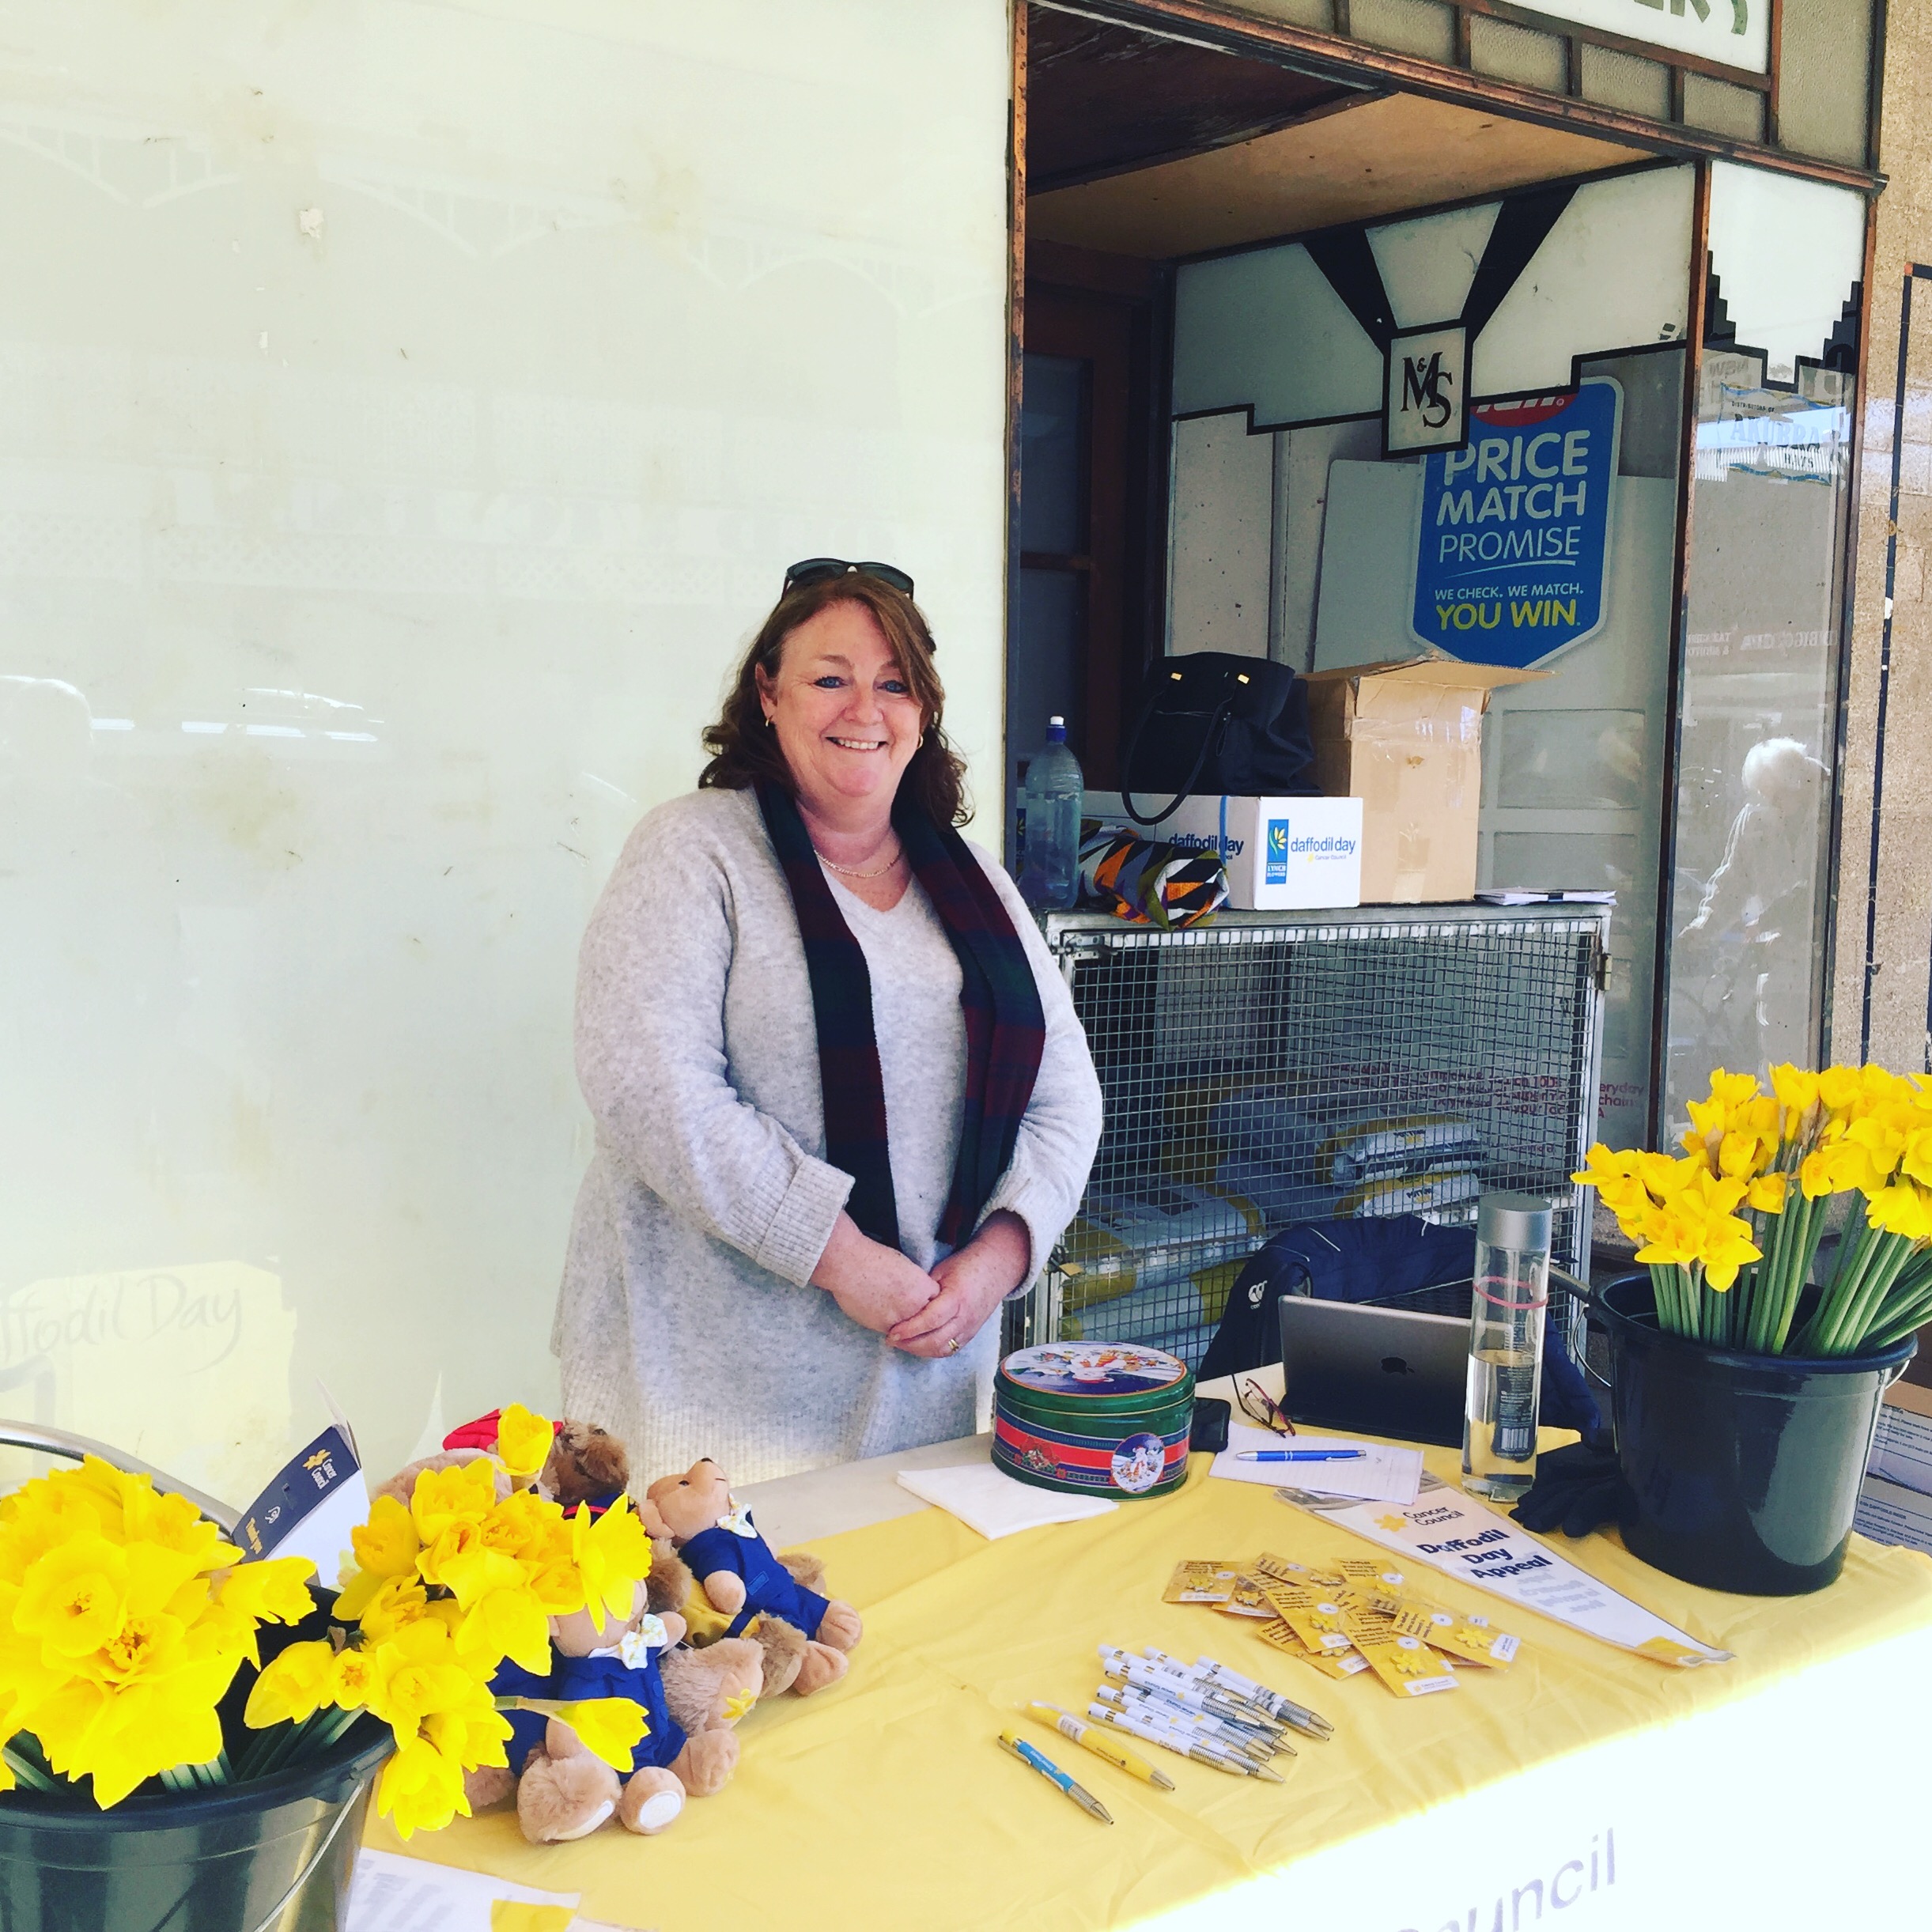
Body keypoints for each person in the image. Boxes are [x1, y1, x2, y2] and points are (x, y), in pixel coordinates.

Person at [553, 561, 1103, 1481]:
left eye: (894, 683)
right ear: (767, 694)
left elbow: (1066, 1097)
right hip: (703, 1403)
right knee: (717, 1583)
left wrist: (998, 1259)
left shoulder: (976, 881)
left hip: (925, 1387)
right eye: (829, 678)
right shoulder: (694, 850)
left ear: (923, 710)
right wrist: (842, 1258)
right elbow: (651, 1089)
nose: (864, 709)